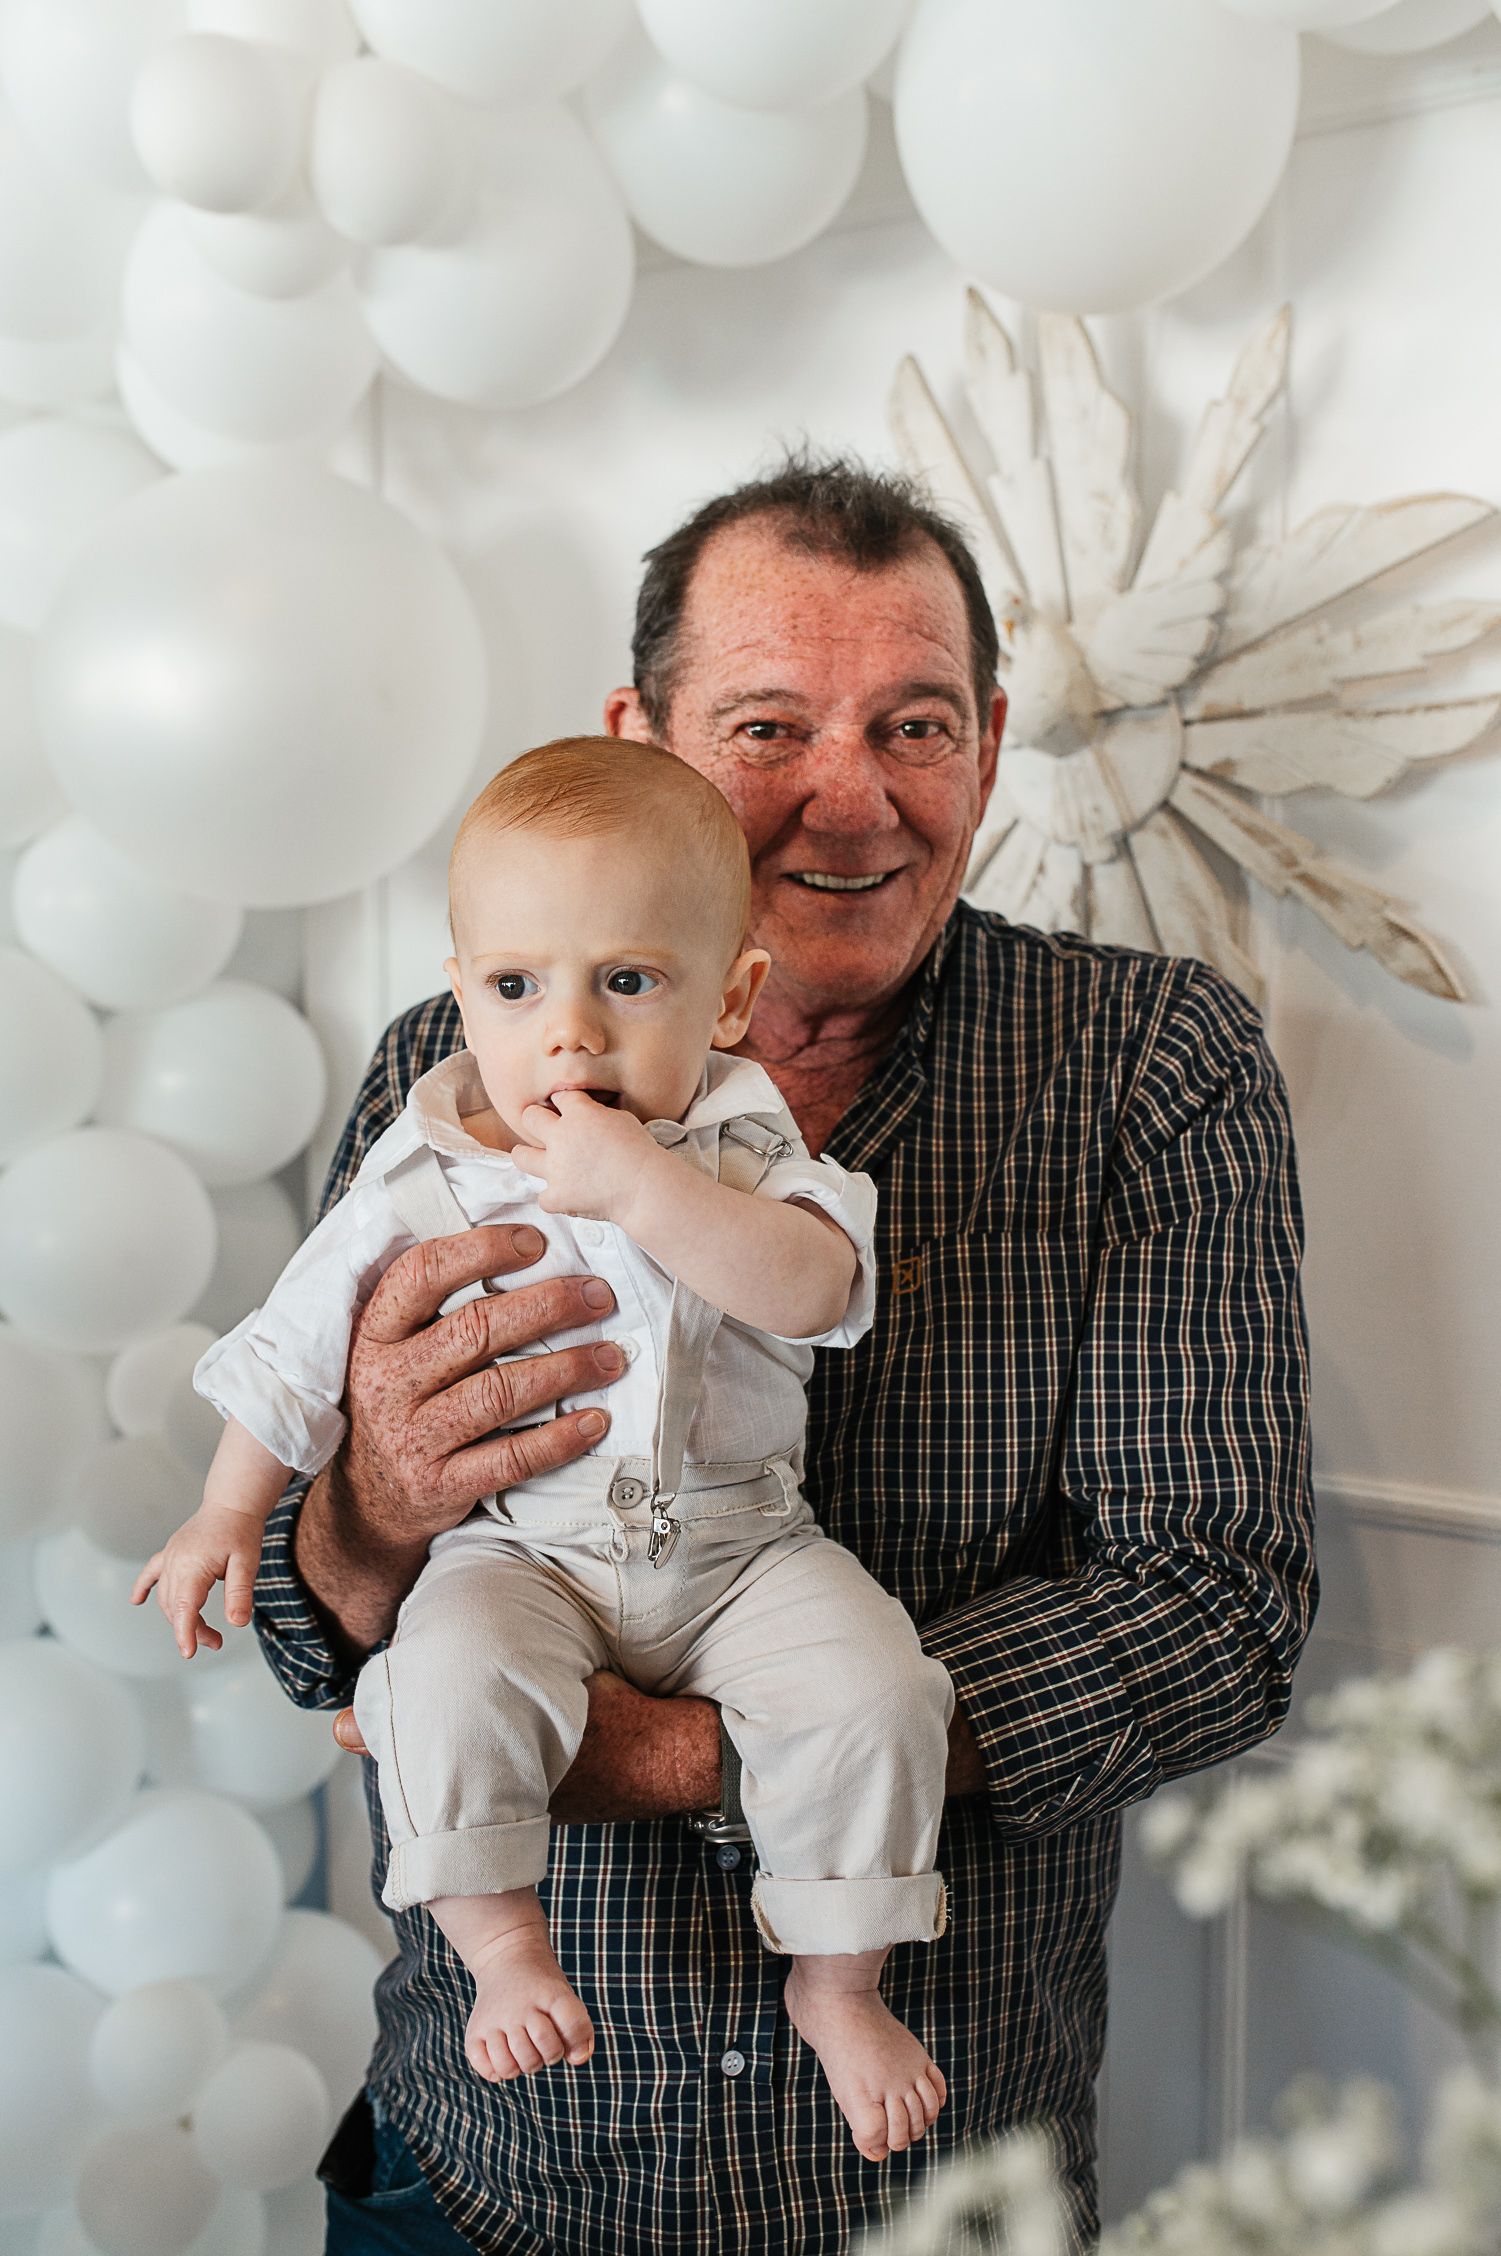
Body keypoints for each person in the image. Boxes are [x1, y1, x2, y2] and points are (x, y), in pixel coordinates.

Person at [254, 454, 1317, 2255]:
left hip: (925, 2185)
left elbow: (1211, 1611)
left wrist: (676, 1754)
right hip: (499, 2162)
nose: (851, 798)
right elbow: (312, 1627)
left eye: (913, 723)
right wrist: (366, 1497)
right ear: (642, 736)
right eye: (766, 726)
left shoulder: (1149, 1067)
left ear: (984, 743)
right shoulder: (456, 1068)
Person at [136, 735, 957, 2164]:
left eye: (626, 983)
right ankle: (500, 1939)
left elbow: (815, 1291)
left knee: (879, 1686)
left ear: (731, 1000)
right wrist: (221, 1514)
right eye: (518, 988)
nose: (567, 1036)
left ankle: (841, 1979)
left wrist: (644, 1189)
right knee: (441, 1673)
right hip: (519, 1545)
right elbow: (291, 1347)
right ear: (463, 995)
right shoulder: (424, 1167)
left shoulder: (741, 1140)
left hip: (741, 1544)